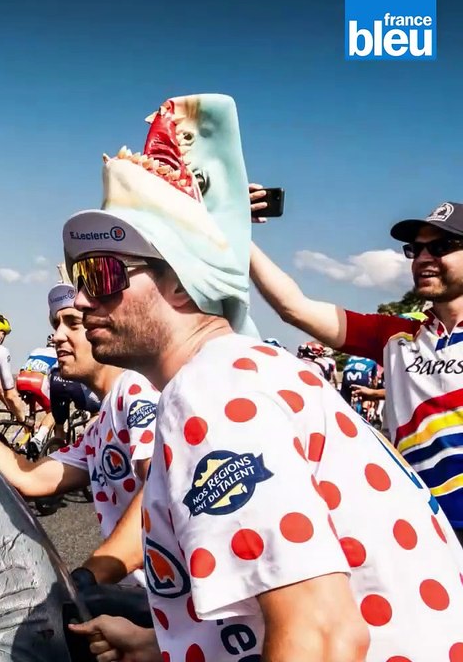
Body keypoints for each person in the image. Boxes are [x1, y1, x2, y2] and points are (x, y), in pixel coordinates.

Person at [61, 209, 463, 662]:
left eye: (102, 275)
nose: (79, 300)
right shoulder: (244, 371)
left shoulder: (211, 391)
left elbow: (323, 636)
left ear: (180, 280)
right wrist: (165, 645)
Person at [249, 198, 463, 537]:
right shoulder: (394, 334)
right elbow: (295, 308)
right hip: (425, 525)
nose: (423, 259)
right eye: (415, 249)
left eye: (440, 247)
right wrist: (233, 227)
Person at [0, 280, 159, 587]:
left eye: (72, 323)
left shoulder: (136, 391)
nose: (57, 336)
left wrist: (85, 581)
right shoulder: (103, 420)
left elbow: (162, 493)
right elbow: (30, 477)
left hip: (160, 613)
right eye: (56, 324)